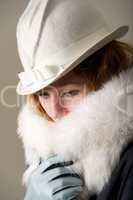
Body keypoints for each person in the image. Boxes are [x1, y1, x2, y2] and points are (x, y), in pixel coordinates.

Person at [16, 0, 133, 199]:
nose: (53, 112)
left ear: (107, 78)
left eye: (70, 92)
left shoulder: (129, 160)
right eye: (43, 94)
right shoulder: (44, 151)